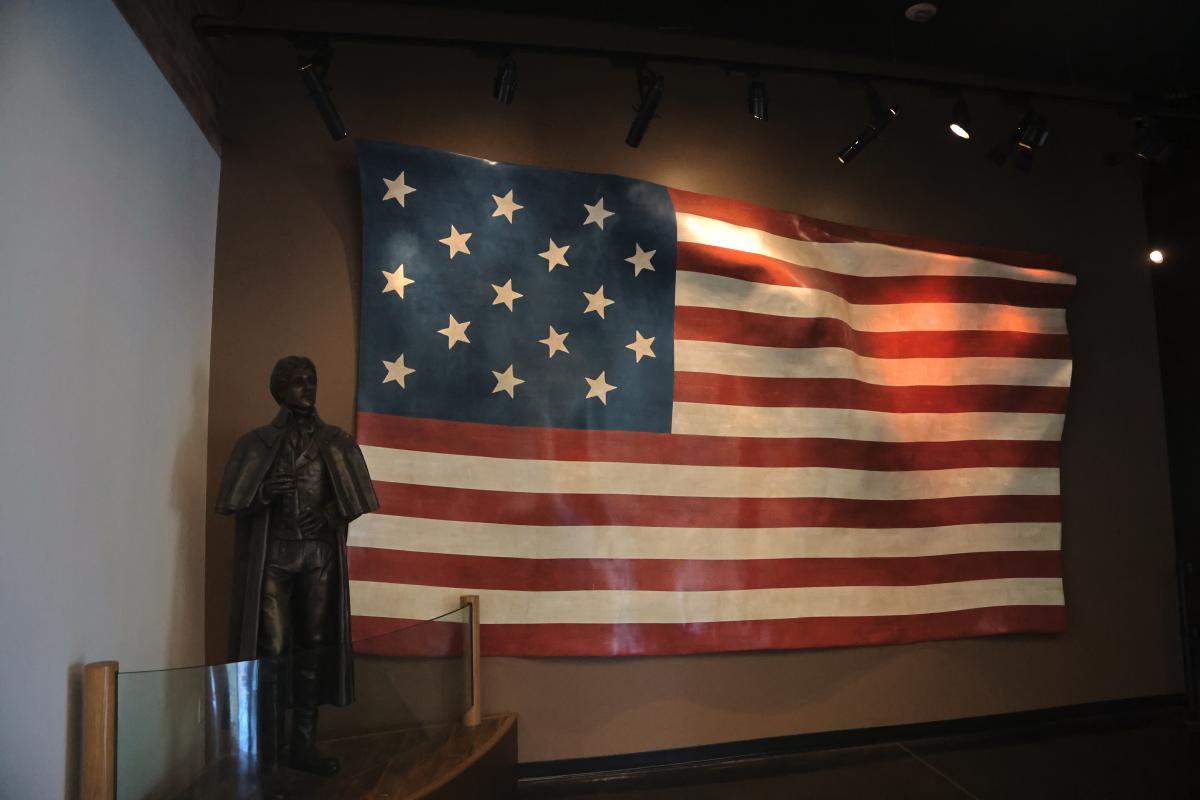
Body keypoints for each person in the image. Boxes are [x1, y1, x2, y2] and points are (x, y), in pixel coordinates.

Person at [215, 356, 379, 785]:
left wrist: (328, 515)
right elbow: (231, 500)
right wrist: (262, 492)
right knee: (273, 649)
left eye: (312, 380)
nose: (307, 388)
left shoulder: (335, 441)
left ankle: (303, 744)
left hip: (318, 557)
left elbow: (358, 497)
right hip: (275, 556)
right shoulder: (256, 443)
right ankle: (270, 753)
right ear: (278, 390)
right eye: (297, 382)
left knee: (313, 648)